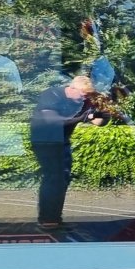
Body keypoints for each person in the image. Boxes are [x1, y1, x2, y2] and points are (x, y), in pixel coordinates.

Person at [29, 75, 105, 228]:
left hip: (63, 141)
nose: (84, 99)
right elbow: (53, 121)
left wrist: (104, 114)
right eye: (83, 95)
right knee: (53, 177)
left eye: (88, 96)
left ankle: (55, 218)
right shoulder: (52, 95)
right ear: (72, 88)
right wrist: (81, 117)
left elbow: (98, 122)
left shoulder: (84, 100)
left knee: (63, 178)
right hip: (44, 139)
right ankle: (47, 219)